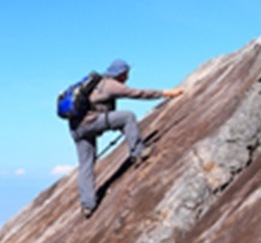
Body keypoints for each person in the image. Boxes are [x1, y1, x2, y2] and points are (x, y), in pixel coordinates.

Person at [70, 60, 183, 217]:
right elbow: (138, 93)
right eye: (125, 74)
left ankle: (88, 205)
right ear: (119, 73)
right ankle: (138, 152)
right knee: (128, 116)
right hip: (92, 122)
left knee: (86, 165)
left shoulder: (96, 84)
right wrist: (165, 93)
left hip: (76, 128)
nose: (127, 78)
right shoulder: (110, 85)